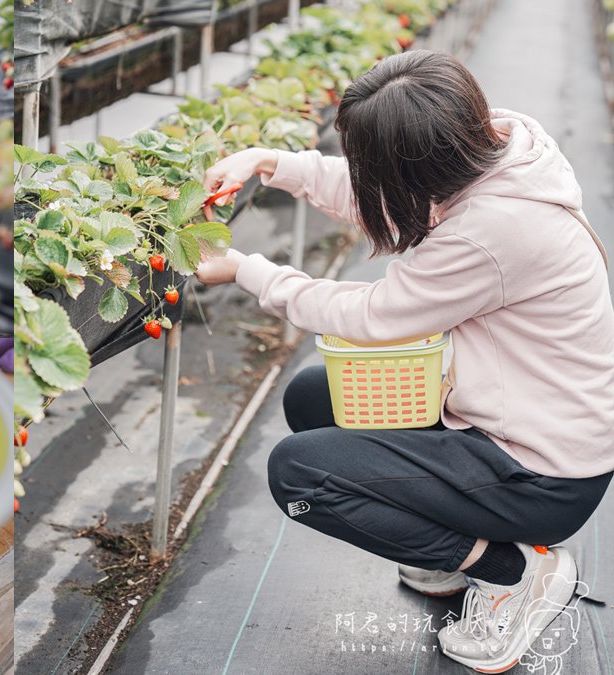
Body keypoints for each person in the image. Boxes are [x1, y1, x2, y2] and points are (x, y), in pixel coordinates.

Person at [195, 49, 614, 672]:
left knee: (299, 475)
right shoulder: (497, 144)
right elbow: (386, 192)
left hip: (539, 472)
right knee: (313, 399)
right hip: (513, 422)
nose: (364, 174)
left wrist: (250, 271)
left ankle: (516, 571)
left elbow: (374, 317)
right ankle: (456, 548)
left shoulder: (493, 229)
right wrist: (270, 163)